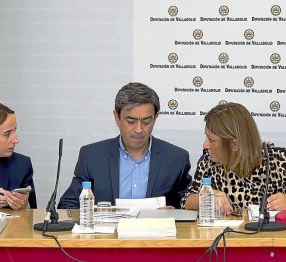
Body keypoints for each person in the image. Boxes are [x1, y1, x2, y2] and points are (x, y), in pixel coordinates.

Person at [59, 82, 192, 209]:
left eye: (146, 121)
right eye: (131, 121)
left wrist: (173, 212)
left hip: (155, 232)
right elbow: (67, 205)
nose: (139, 129)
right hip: (107, 232)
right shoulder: (92, 157)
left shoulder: (176, 159)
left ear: (155, 118)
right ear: (117, 118)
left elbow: (186, 204)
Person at [182, 102, 286, 212]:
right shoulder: (208, 162)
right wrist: (205, 198)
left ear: (234, 144)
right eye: (206, 137)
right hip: (225, 242)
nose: (205, 145)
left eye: (212, 140)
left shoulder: (277, 160)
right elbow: (185, 200)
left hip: (271, 243)